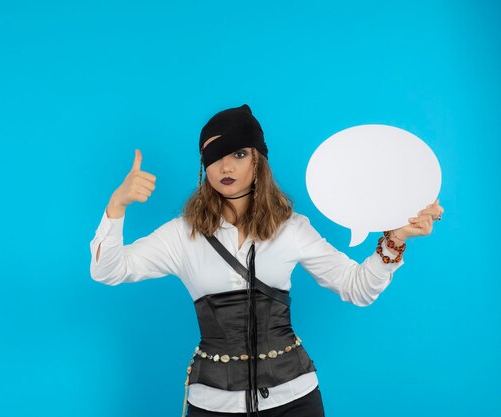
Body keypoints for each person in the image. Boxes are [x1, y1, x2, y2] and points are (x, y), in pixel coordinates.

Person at [89, 104, 444, 417]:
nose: (225, 165)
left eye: (239, 154)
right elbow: (108, 270)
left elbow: (357, 288)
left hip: (295, 398)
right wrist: (116, 206)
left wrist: (395, 240)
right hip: (213, 402)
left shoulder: (291, 229)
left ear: (258, 161)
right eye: (215, 156)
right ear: (204, 165)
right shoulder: (182, 234)